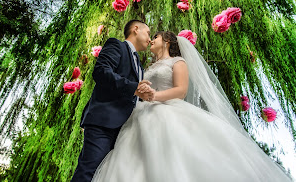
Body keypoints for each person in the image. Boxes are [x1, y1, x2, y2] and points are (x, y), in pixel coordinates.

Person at [91, 31, 292, 182]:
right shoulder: (147, 68)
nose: (152, 40)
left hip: (168, 112)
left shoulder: (177, 62)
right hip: (140, 114)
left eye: (156, 37)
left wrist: (154, 96)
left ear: (167, 41)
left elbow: (181, 90)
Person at [71, 20, 155, 182]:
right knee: (89, 171)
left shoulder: (139, 65)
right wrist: (134, 88)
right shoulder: (116, 45)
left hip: (125, 130)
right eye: (148, 33)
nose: (150, 39)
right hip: (104, 123)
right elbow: (102, 72)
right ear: (135, 29)